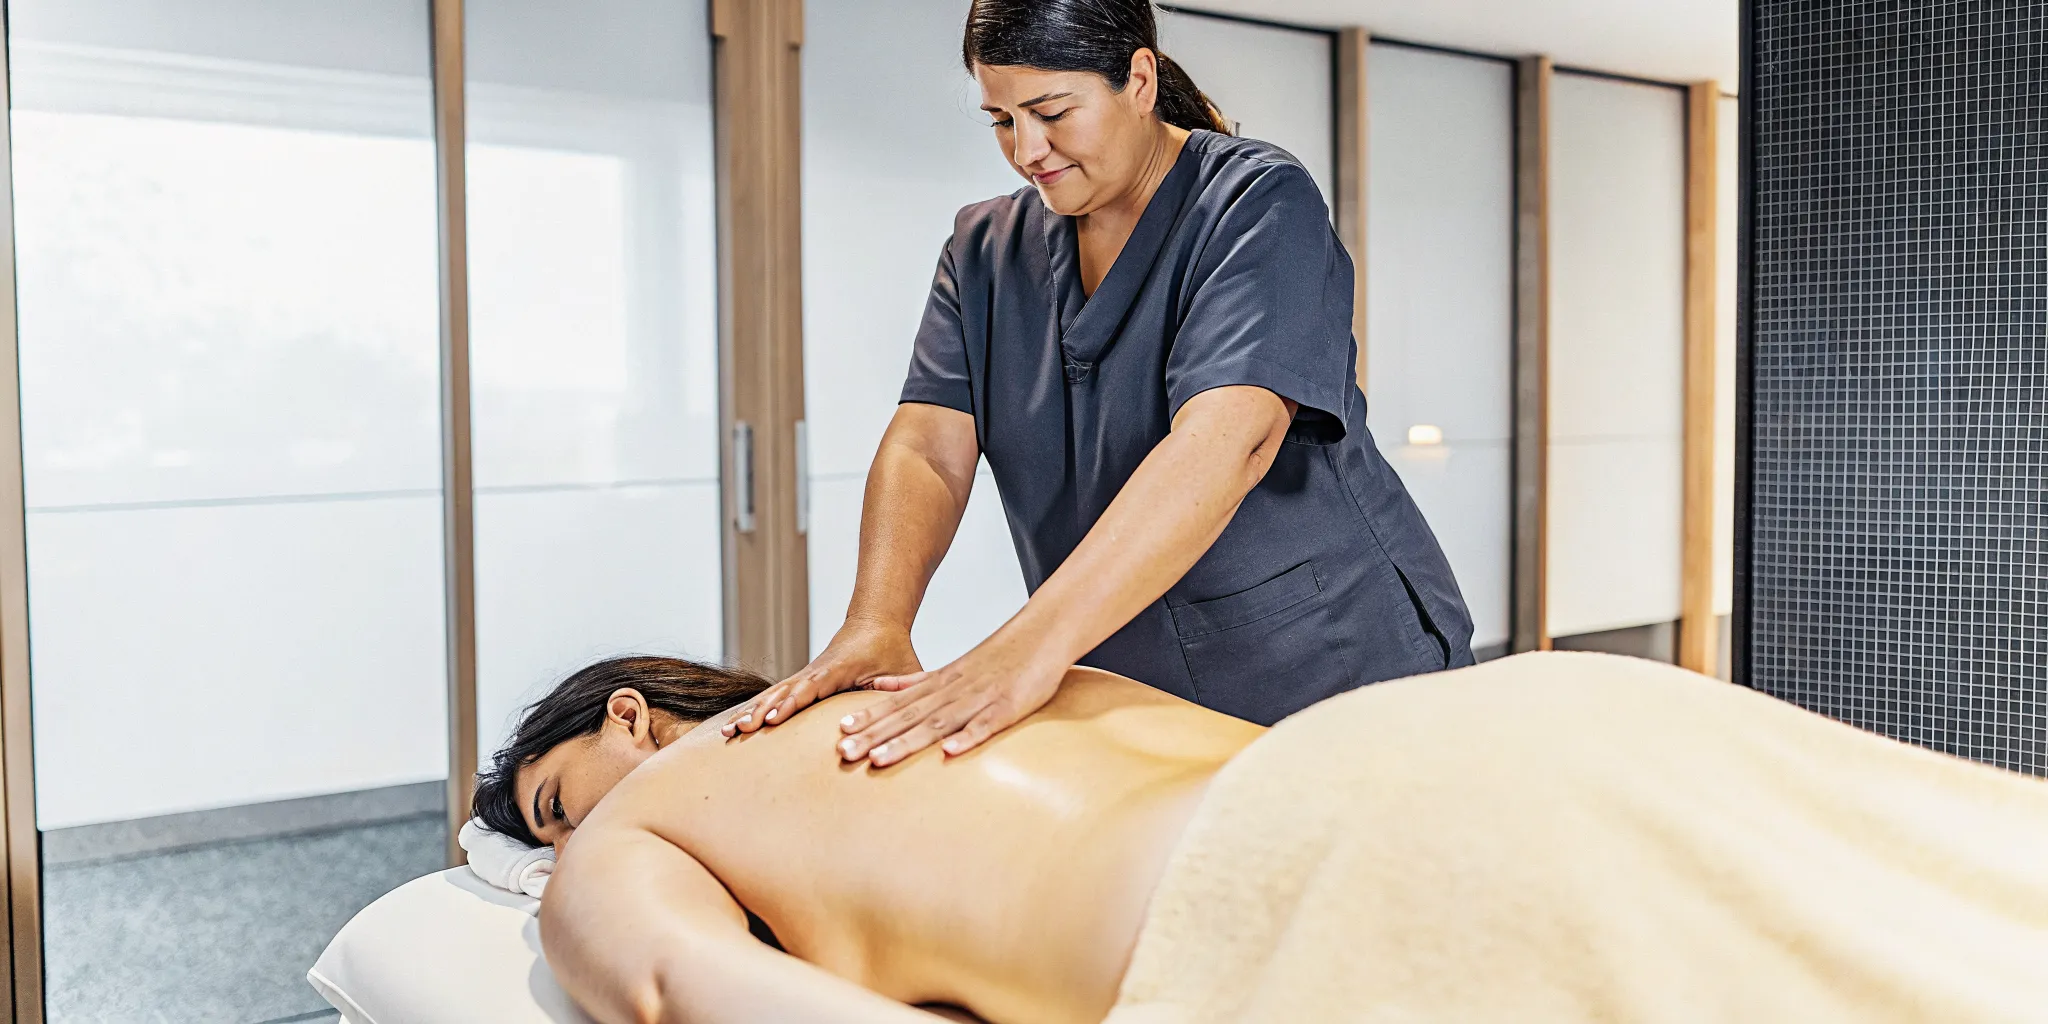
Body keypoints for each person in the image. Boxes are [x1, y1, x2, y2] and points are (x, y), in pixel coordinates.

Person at [477, 654, 2048, 1024]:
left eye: (552, 807)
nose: (562, 849)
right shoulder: (953, 677)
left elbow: (686, 994)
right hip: (1516, 715)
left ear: (633, 720)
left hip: (1323, 886)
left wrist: (578, 877)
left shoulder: (642, 829)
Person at [732, 0, 1473, 768]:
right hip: (1130, 686)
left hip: (1329, 665)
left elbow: (1228, 444)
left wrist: (1023, 651)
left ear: (1139, 80)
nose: (1027, 150)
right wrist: (876, 621)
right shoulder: (983, 249)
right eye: (1001, 120)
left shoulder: (1255, 202)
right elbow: (928, 448)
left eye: (1053, 112)